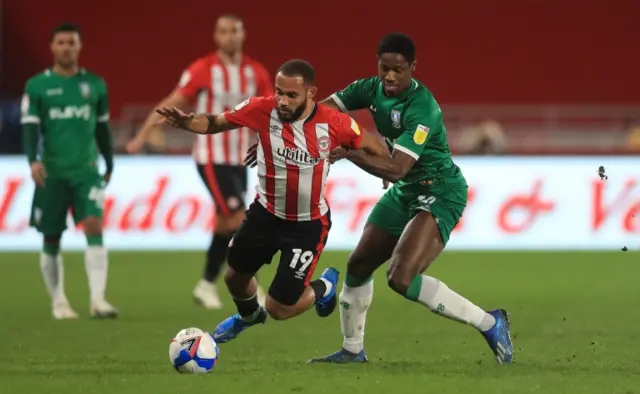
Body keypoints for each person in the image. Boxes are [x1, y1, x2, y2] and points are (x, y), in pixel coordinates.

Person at [247, 34, 514, 364]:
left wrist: (348, 151)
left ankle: (491, 323)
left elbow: (397, 168)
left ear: (412, 68)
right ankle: (352, 349)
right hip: (406, 193)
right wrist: (278, 134)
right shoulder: (368, 88)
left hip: (439, 191)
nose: (389, 76)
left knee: (401, 278)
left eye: (398, 70)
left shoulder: (423, 108)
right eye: (384, 68)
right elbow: (317, 112)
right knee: (358, 265)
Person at [156, 59, 389, 342]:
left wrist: (382, 170)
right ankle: (249, 316)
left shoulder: (335, 123)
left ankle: (323, 288)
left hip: (306, 225)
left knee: (279, 308)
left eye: (291, 95)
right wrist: (188, 123)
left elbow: (373, 145)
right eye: (279, 92)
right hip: (265, 214)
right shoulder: (260, 109)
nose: (282, 101)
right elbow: (216, 122)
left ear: (311, 93)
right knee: (234, 277)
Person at [126, 14, 272, 309]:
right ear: (216, 37)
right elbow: (174, 100)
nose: (230, 36)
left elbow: (271, 110)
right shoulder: (203, 69)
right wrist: (143, 134)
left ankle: (206, 284)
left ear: (243, 35)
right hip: (211, 156)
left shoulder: (255, 72)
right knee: (237, 219)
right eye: (224, 31)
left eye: (235, 31)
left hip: (241, 158)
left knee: (224, 224)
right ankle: (249, 283)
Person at [20, 23, 117, 319]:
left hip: (86, 169)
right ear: (52, 46)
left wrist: (109, 162)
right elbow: (30, 127)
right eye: (61, 42)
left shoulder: (95, 85)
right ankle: (59, 302)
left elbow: (102, 128)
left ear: (79, 46)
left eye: (71, 43)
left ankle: (98, 300)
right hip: (52, 171)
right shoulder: (37, 86)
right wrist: (33, 160)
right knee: (51, 236)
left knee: (93, 225)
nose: (66, 48)